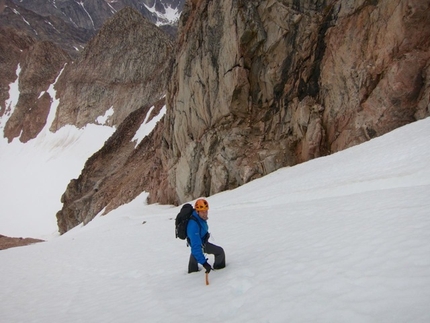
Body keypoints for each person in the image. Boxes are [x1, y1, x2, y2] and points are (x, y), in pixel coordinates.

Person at [187, 198, 225, 274]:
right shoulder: (193, 226)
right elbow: (196, 246)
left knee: (195, 254)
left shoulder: (198, 218)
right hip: (200, 244)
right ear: (197, 212)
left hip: (201, 243)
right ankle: (220, 272)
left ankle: (192, 272)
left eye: (206, 211)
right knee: (219, 252)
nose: (205, 214)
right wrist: (205, 264)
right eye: (202, 212)